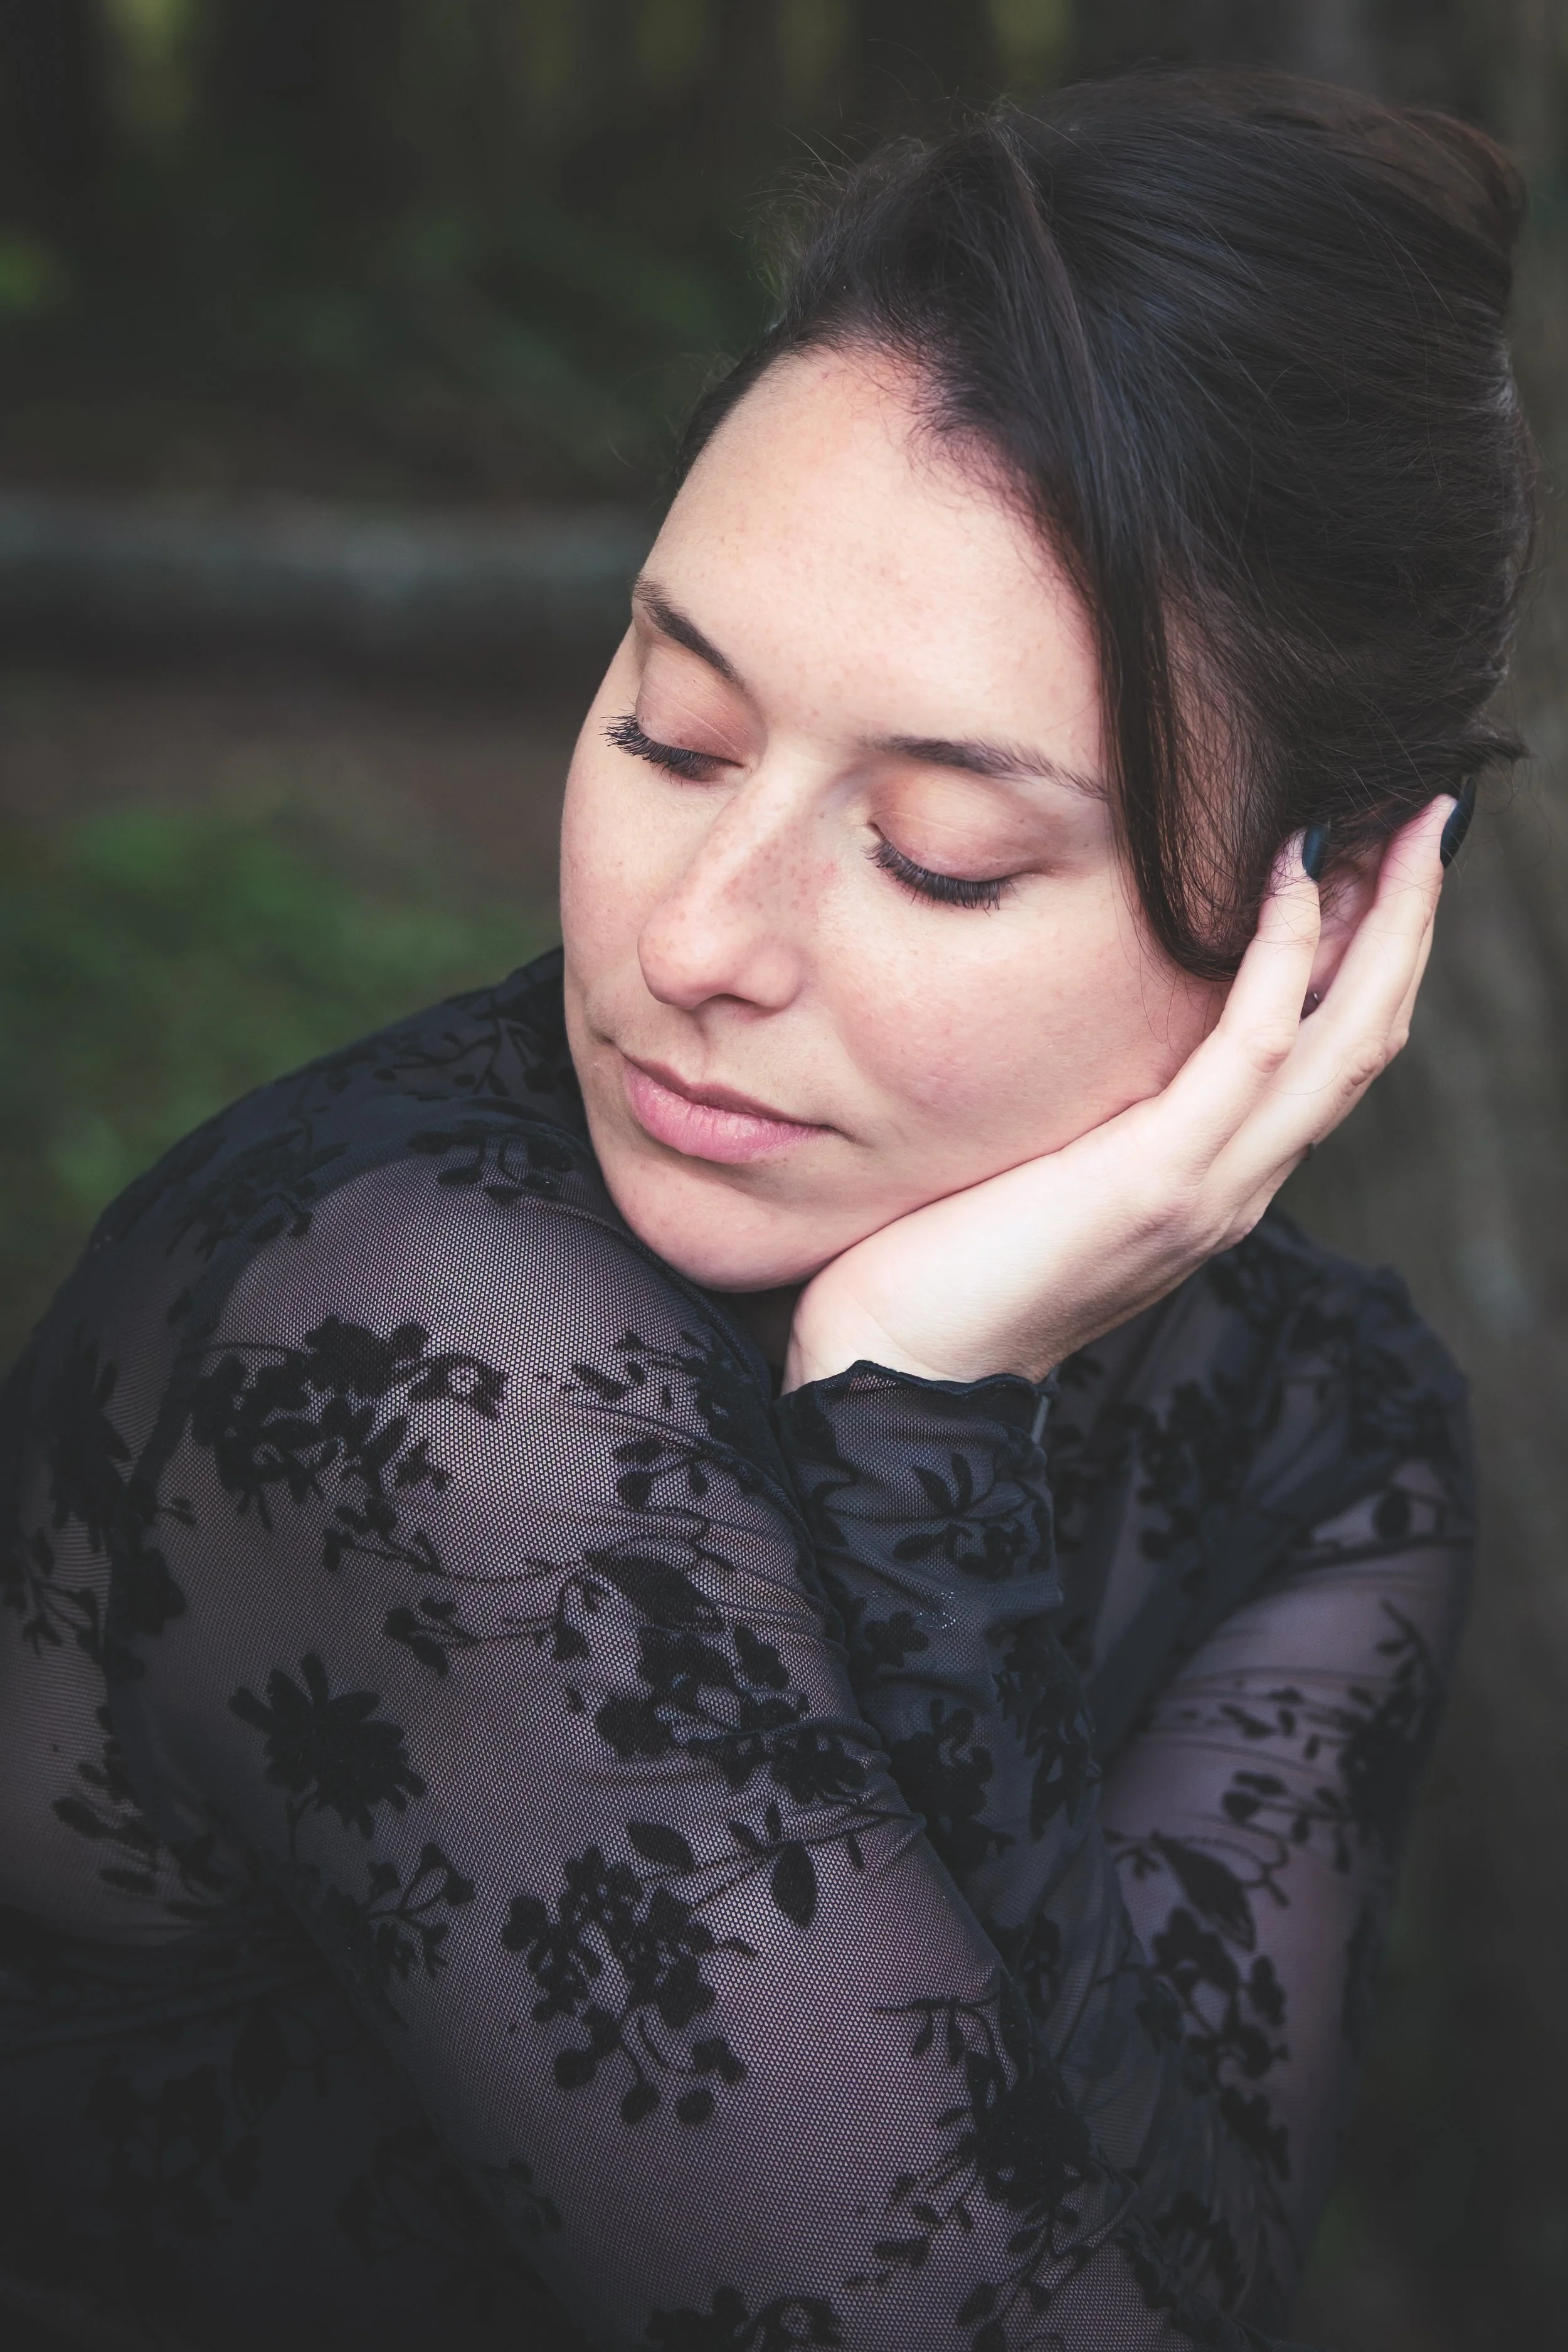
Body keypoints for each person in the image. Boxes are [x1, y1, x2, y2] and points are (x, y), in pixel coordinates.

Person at [0, 68, 1532, 2352]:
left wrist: (924, 1399)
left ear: (1315, 921)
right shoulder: (419, 1351)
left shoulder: (1325, 1426)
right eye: (672, 731)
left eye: (937, 852)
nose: (695, 939)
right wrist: (920, 1437)